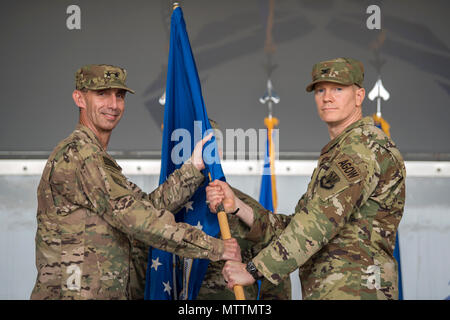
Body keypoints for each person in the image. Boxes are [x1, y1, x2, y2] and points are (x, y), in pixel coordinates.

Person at [30, 64, 240, 300]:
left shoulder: (96, 158)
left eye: (119, 96)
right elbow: (140, 221)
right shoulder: (79, 155)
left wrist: (194, 168)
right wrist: (215, 247)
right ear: (79, 98)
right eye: (102, 94)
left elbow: (145, 208)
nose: (113, 104)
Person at [207, 57, 406, 300]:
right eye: (320, 90)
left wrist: (252, 270)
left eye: (338, 89)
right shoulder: (341, 150)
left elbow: (316, 224)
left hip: (356, 292)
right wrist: (238, 207)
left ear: (359, 96)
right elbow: (296, 226)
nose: (327, 97)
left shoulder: (362, 149)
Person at [195, 120, 291, 300]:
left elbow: (278, 279)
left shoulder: (247, 210)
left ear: (219, 153)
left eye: (207, 150)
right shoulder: (161, 212)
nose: (198, 157)